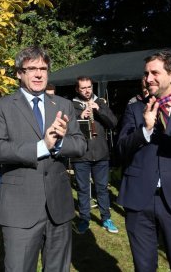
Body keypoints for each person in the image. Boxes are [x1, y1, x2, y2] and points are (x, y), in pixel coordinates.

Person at [0, 46, 86, 272]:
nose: (39, 74)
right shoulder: (1, 107)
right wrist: (42, 146)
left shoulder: (62, 105)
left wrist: (59, 143)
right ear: (19, 73)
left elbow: (80, 144)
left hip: (58, 207)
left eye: (43, 68)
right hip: (21, 209)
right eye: (31, 69)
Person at [117, 51, 171, 272]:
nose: (148, 79)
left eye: (155, 73)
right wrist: (144, 130)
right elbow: (120, 149)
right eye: (146, 73)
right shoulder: (135, 109)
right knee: (144, 267)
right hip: (139, 199)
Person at [71, 76, 119, 234]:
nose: (87, 91)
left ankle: (106, 218)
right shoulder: (72, 106)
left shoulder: (101, 103)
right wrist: (80, 118)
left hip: (101, 154)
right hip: (81, 155)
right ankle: (84, 219)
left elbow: (113, 123)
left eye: (89, 87)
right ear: (78, 89)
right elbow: (67, 129)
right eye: (83, 88)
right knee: (83, 189)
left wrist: (99, 111)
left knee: (102, 189)